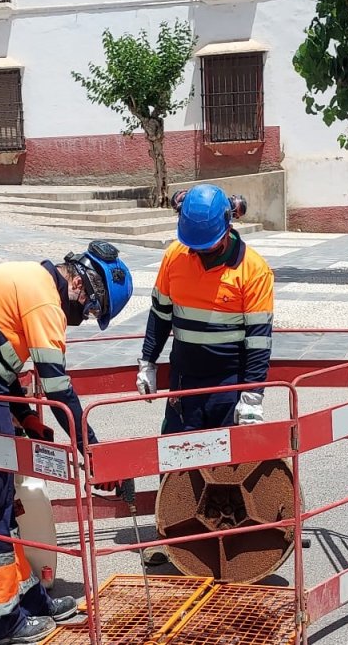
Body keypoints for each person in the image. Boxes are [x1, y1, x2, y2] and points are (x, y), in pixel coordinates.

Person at [0, 240, 133, 645]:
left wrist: (25, 417)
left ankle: (29, 599)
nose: (85, 318)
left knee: (4, 505)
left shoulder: (30, 281)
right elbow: (58, 388)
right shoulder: (45, 303)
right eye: (91, 310)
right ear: (81, 285)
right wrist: (90, 449)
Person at [135, 183, 275, 564]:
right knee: (175, 456)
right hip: (185, 379)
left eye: (206, 245)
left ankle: (228, 548)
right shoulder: (175, 257)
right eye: (193, 245)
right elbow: (160, 315)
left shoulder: (254, 271)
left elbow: (258, 341)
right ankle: (170, 537)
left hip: (230, 382)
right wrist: (147, 360)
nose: (199, 252)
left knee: (228, 464)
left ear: (228, 226)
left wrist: (252, 398)